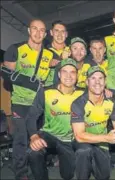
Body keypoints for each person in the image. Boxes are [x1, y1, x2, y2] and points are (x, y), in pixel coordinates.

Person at [3, 19, 57, 179]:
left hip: (40, 105)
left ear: (46, 34)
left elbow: (60, 70)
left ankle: (39, 166)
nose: (38, 33)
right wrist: (31, 82)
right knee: (21, 138)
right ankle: (20, 173)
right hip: (20, 103)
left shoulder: (50, 54)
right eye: (35, 29)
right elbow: (6, 73)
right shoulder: (16, 49)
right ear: (28, 30)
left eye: (42, 30)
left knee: (39, 137)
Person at [25, 58, 83, 180]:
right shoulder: (46, 92)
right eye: (64, 71)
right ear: (58, 74)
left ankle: (64, 161)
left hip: (70, 139)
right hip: (50, 135)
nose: (68, 76)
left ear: (77, 76)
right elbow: (31, 116)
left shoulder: (84, 94)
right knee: (33, 151)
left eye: (72, 72)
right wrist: (34, 136)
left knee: (67, 175)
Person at [71, 66, 115, 180]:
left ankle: (93, 163)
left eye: (101, 78)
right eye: (93, 78)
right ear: (87, 82)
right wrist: (107, 138)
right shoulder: (78, 103)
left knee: (104, 176)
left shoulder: (112, 102)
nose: (97, 82)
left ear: (105, 81)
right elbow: (79, 136)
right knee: (84, 151)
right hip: (83, 142)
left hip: (101, 143)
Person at [45, 20, 69, 86]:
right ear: (51, 32)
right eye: (56, 31)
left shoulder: (73, 52)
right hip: (48, 91)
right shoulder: (43, 52)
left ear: (66, 34)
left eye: (63, 31)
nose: (60, 34)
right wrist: (47, 64)